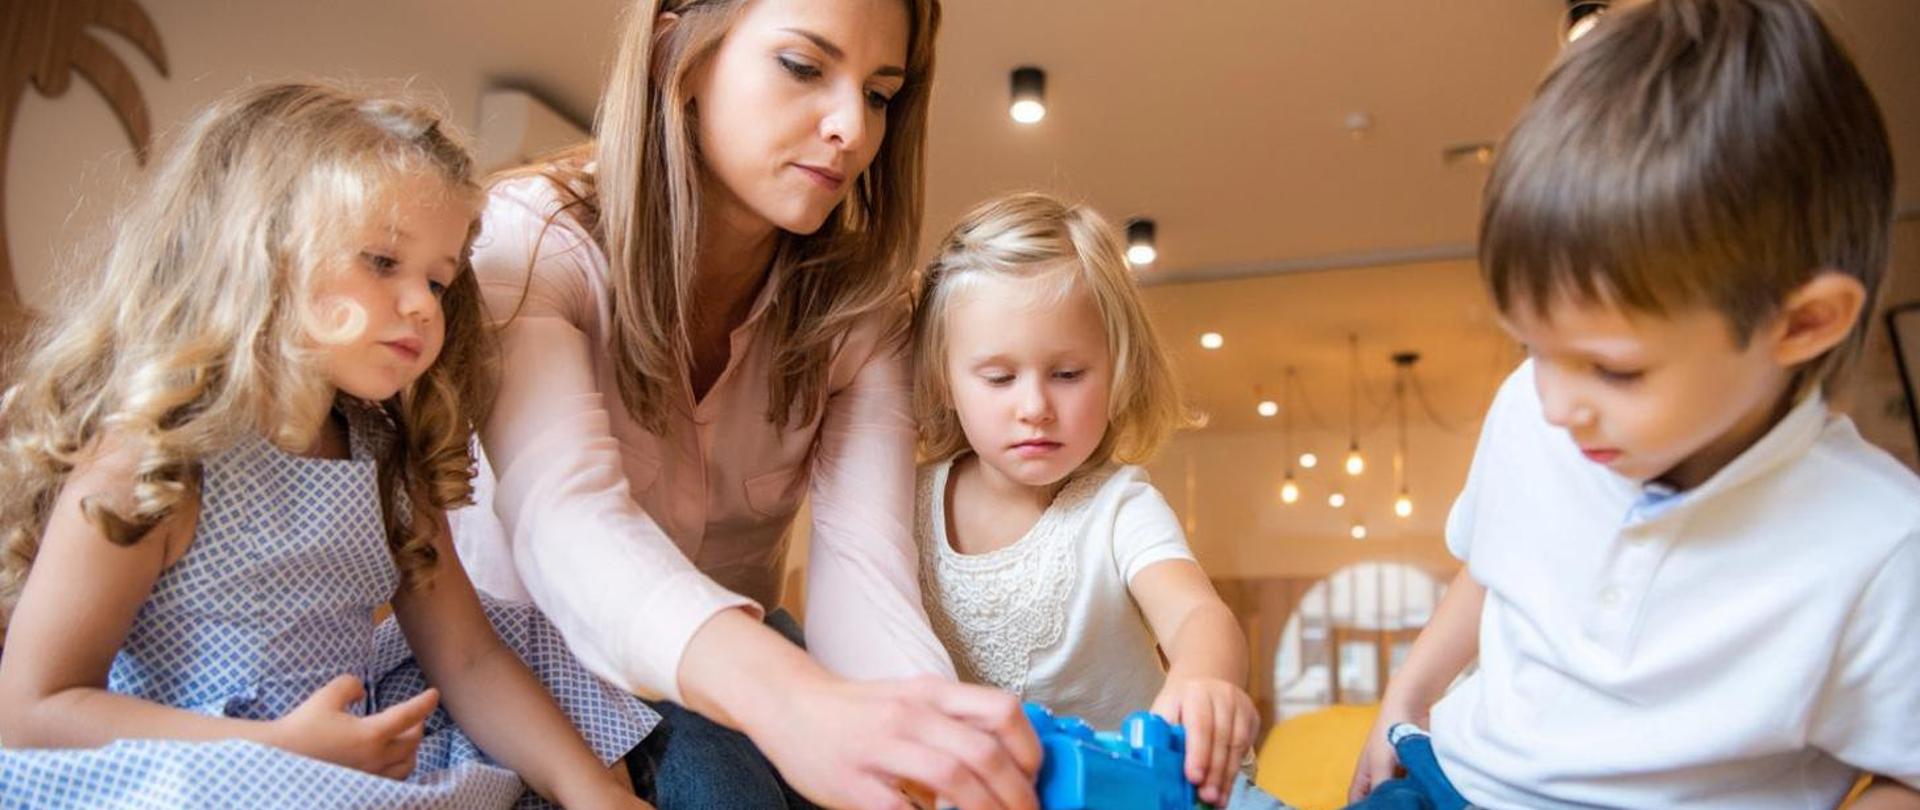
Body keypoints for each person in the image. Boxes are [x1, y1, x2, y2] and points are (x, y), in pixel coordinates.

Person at [0, 82, 656, 809]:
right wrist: (275, 752)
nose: (420, 305)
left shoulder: (383, 462)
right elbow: (31, 710)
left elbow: (468, 658)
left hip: (341, 756)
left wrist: (590, 790)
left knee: (542, 649)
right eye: (382, 262)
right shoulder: (153, 458)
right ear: (263, 250)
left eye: (438, 282)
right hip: (191, 772)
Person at [452, 1, 1039, 807]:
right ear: (679, 55)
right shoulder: (530, 244)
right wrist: (794, 702)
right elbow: (566, 520)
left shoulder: (863, 312)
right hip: (526, 682)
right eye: (803, 67)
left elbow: (866, 574)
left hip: (751, 675)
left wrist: (931, 762)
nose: (852, 130)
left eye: (879, 94)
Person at [1344, 1, 1920, 807]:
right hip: (1452, 782)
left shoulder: (1882, 546)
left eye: (1613, 370)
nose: (1554, 404)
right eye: (1533, 348)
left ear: (1802, 323)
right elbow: (1491, 569)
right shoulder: (1526, 412)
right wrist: (1406, 695)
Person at [911, 193, 1259, 806]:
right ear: (944, 378)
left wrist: (1205, 680)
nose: (1035, 406)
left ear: (1118, 369)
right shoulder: (907, 505)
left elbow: (1196, 615)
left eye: (1068, 374)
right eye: (998, 377)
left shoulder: (1119, 507)